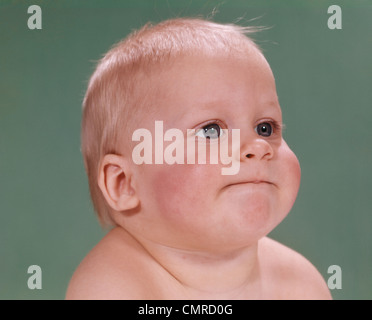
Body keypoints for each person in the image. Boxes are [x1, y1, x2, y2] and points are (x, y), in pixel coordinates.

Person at [66, 18, 332, 299]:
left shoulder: (300, 283)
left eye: (265, 128)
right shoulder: (112, 285)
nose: (257, 146)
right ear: (124, 183)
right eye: (211, 130)